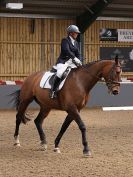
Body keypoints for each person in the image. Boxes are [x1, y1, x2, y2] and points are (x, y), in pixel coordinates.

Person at [50, 25, 82, 98]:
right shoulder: (65, 40)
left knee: (80, 72)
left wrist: (79, 60)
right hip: (63, 62)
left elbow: (78, 53)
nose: (77, 34)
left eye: (77, 33)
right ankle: (53, 91)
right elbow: (66, 50)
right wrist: (74, 58)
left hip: (72, 63)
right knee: (60, 73)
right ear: (71, 33)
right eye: (75, 33)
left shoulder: (76, 43)